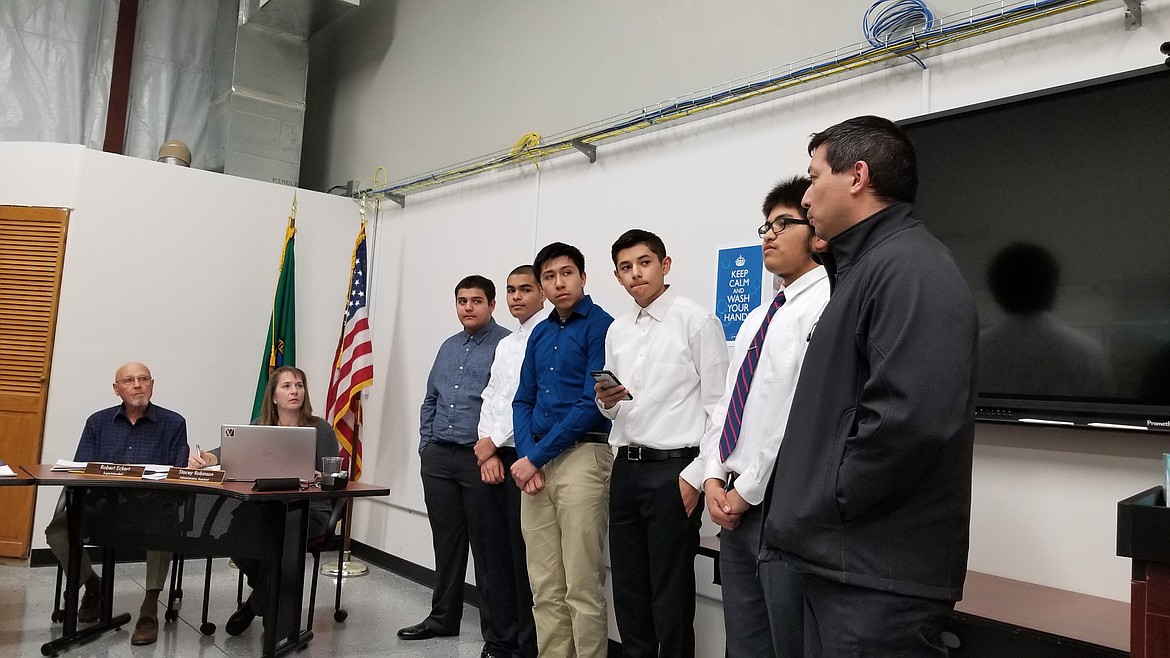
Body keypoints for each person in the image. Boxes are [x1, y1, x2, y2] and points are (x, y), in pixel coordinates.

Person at [762, 115, 979, 657]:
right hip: (845, 561)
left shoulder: (911, 267)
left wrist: (829, 498)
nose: (805, 197)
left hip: (873, 573)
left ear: (857, 177)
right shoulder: (865, 268)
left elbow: (913, 419)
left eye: (815, 177)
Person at [697, 177, 830, 657]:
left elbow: (796, 412)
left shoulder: (827, 305)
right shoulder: (759, 315)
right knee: (744, 640)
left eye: (783, 223)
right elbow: (728, 404)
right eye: (766, 226)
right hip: (733, 500)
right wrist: (713, 475)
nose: (769, 235)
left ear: (817, 234)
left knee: (786, 642)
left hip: (778, 503)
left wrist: (746, 491)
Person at [594, 229, 728, 658]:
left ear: (665, 265)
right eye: (626, 267)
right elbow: (615, 408)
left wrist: (696, 477)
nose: (636, 273)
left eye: (644, 263)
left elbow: (720, 409)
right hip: (625, 467)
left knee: (670, 595)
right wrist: (606, 402)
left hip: (674, 470)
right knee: (629, 588)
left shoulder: (696, 321)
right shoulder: (617, 330)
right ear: (617, 276)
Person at [398, 275, 515, 658]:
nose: (468, 307)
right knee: (446, 544)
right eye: (462, 301)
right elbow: (430, 399)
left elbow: (506, 404)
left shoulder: (505, 345)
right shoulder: (448, 346)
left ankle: (496, 635)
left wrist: (492, 451)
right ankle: (442, 618)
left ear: (492, 305)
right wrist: (425, 447)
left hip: (479, 460)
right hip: (439, 458)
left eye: (476, 301)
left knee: (487, 548)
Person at [511, 242, 614, 658]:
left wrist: (534, 458)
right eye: (549, 277)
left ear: (583, 277)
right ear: (542, 286)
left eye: (567, 273)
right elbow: (523, 400)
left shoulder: (602, 326)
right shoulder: (540, 332)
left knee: (582, 585)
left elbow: (591, 403)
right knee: (544, 585)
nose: (559, 283)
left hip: (582, 457)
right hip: (536, 464)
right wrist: (527, 457)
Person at [188, 365, 341, 636]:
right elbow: (228, 450)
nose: (294, 391)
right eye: (287, 386)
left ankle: (254, 606)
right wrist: (206, 458)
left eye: (299, 386)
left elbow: (332, 476)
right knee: (233, 533)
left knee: (279, 538)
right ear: (274, 396)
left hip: (308, 510)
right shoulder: (260, 426)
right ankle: (267, 598)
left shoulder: (321, 429)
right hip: (264, 508)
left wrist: (319, 476)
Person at [44, 362, 189, 646]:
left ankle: (149, 607)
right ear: (116, 389)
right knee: (58, 531)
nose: (137, 385)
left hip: (149, 507)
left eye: (143, 379)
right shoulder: (97, 422)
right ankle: (93, 585)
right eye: (129, 380)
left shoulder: (173, 423)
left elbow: (177, 474)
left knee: (165, 523)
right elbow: (82, 470)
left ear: (152, 384)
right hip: (102, 507)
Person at [475, 264, 546, 658]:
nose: (516, 297)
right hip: (495, 453)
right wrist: (485, 444)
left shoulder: (546, 335)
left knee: (525, 557)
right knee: (496, 554)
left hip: (526, 454)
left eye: (525, 289)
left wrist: (495, 443)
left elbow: (529, 400)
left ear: (542, 293)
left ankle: (526, 645)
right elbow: (492, 396)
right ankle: (500, 640)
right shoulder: (505, 343)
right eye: (511, 290)